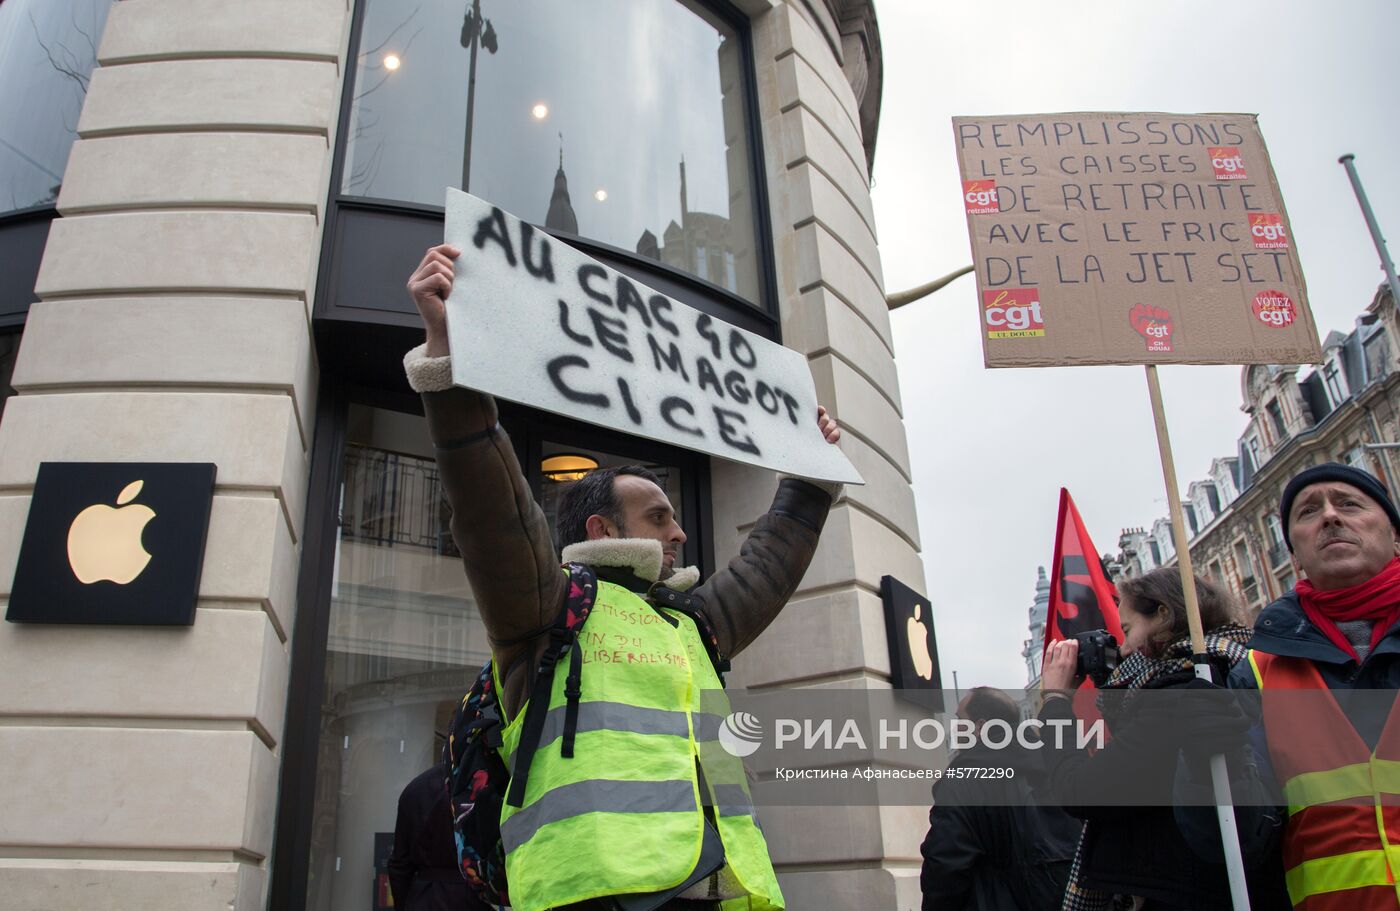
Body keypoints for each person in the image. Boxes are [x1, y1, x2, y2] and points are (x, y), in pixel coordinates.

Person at [402, 243, 843, 911]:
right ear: (604, 532)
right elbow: (494, 516)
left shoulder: (689, 622)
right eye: (659, 515)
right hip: (590, 896)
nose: (679, 532)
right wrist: (449, 361)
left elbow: (766, 570)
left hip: (720, 894)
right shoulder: (550, 607)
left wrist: (810, 479)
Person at [1039, 567, 1286, 910]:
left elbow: (1081, 791)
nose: (1123, 650)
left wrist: (1055, 701)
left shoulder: (1182, 691)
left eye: (1127, 630)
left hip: (1188, 894)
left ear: (1162, 615)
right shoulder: (1237, 667)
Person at [1216, 463, 1400, 910]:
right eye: (1309, 511)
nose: (1331, 516)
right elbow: (1234, 842)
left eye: (1349, 503)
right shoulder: (1254, 676)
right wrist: (1204, 764)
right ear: (1295, 554)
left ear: (1396, 537)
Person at [920, 686, 1081, 910]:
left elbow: (945, 863)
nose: (954, 730)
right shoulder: (1055, 764)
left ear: (980, 726)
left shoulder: (963, 779)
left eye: (959, 721)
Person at [387, 761, 486, 911]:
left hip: (426, 897)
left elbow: (399, 865)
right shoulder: (486, 783)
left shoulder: (416, 789)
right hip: (476, 896)